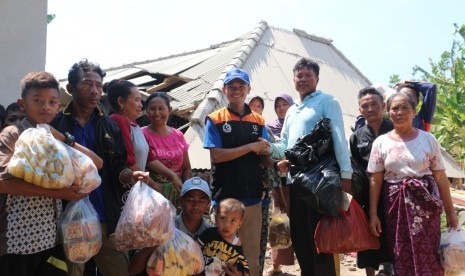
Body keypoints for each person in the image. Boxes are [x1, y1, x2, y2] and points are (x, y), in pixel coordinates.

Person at [51, 59, 148, 276]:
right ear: (71, 88)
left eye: (99, 86)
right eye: (88, 84)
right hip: (68, 216)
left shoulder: (110, 126)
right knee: (72, 271)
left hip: (105, 216)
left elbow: (117, 166)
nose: (95, 91)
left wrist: (131, 175)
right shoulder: (57, 125)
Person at [0, 71, 101, 275]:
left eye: (52, 102)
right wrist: (60, 194)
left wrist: (62, 137)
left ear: (58, 106)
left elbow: (97, 163)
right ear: (22, 103)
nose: (46, 107)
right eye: (37, 100)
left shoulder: (54, 139)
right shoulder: (13, 134)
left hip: (50, 237)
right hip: (16, 238)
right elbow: (3, 183)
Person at [268, 58, 352, 276]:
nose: (303, 79)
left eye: (308, 75)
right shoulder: (293, 110)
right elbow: (285, 145)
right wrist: (266, 147)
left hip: (321, 183)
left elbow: (339, 139)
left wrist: (346, 175)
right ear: (294, 78)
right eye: (299, 76)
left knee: (322, 239)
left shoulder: (327, 101)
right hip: (295, 183)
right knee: (301, 238)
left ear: (317, 78)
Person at [368, 92, 458, 275]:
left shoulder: (428, 139)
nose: (399, 112)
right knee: (400, 251)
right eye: (395, 108)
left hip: (426, 206)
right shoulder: (381, 143)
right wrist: (373, 214)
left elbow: (440, 178)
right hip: (395, 205)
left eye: (405, 107)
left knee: (429, 251)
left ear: (414, 112)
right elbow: (375, 180)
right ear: (388, 111)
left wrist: (450, 212)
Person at [203, 68, 271, 276]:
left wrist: (273, 158)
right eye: (231, 86)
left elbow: (264, 155)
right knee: (221, 255)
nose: (236, 90)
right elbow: (217, 156)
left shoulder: (259, 121)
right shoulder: (214, 119)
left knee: (250, 256)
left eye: (241, 86)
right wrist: (250, 147)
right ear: (224, 90)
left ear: (248, 89)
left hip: (252, 199)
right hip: (226, 199)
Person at [105, 79, 183, 196]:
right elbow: (130, 161)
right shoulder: (118, 120)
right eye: (137, 100)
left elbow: (150, 158)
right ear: (121, 101)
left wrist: (173, 176)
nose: (141, 105)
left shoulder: (133, 124)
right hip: (123, 190)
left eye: (140, 100)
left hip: (136, 188)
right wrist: (155, 186)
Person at [128, 176, 212, 276]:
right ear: (180, 201)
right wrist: (156, 240)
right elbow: (133, 270)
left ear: (208, 203)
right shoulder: (164, 226)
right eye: (190, 198)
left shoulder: (212, 234)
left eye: (202, 200)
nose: (196, 205)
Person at [349, 87, 393, 276]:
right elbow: (356, 169)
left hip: (393, 195)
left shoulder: (395, 129)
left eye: (374, 104)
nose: (370, 109)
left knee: (392, 239)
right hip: (368, 198)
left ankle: (390, 269)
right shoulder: (356, 137)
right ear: (360, 110)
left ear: (383, 106)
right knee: (368, 240)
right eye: (365, 106)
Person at [246, 94, 285, 275]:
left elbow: (273, 161)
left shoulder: (266, 132)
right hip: (242, 191)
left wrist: (275, 189)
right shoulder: (241, 128)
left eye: (259, 106)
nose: (255, 109)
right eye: (252, 106)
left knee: (262, 235)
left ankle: (262, 269)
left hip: (265, 192)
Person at [142, 92, 192, 207]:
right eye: (152, 109)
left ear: (169, 110)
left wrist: (186, 189)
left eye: (161, 108)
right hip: (153, 194)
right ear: (146, 112)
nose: (157, 113)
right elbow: (147, 161)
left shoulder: (178, 135)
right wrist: (172, 176)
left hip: (177, 195)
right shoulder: (141, 134)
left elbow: (186, 168)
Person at [265, 93, 295, 276]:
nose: (281, 108)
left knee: (298, 222)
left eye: (285, 104)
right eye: (278, 105)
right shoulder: (269, 128)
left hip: (298, 182)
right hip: (279, 183)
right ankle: (277, 265)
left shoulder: (298, 125)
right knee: (279, 222)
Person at [198, 198, 249, 276]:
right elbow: (195, 248)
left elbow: (244, 265)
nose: (227, 225)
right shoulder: (209, 233)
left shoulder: (237, 244)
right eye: (223, 218)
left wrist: (242, 273)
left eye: (233, 221)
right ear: (216, 218)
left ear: (239, 224)